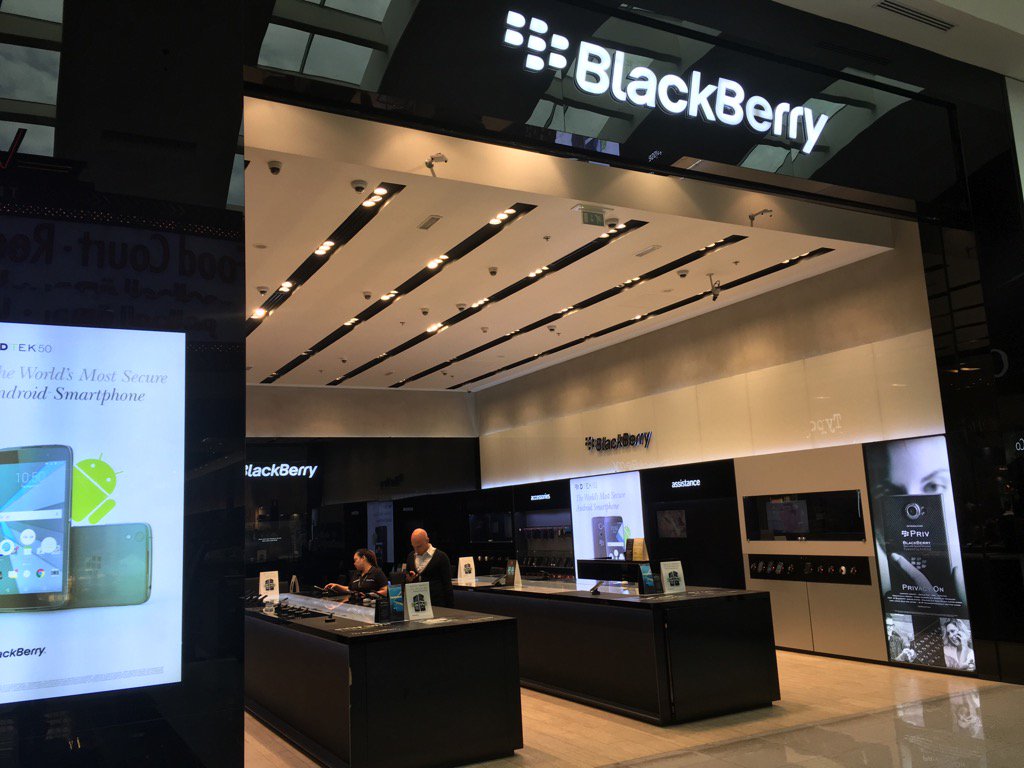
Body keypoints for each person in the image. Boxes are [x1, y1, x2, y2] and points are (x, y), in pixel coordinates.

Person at [404, 528, 453, 607]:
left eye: (419, 546)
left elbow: (447, 585)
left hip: (436, 604)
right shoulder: (411, 556)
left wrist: (450, 608)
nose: (416, 550)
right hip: (416, 604)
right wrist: (409, 578)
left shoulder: (441, 557)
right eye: (414, 547)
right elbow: (407, 580)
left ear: (427, 540)